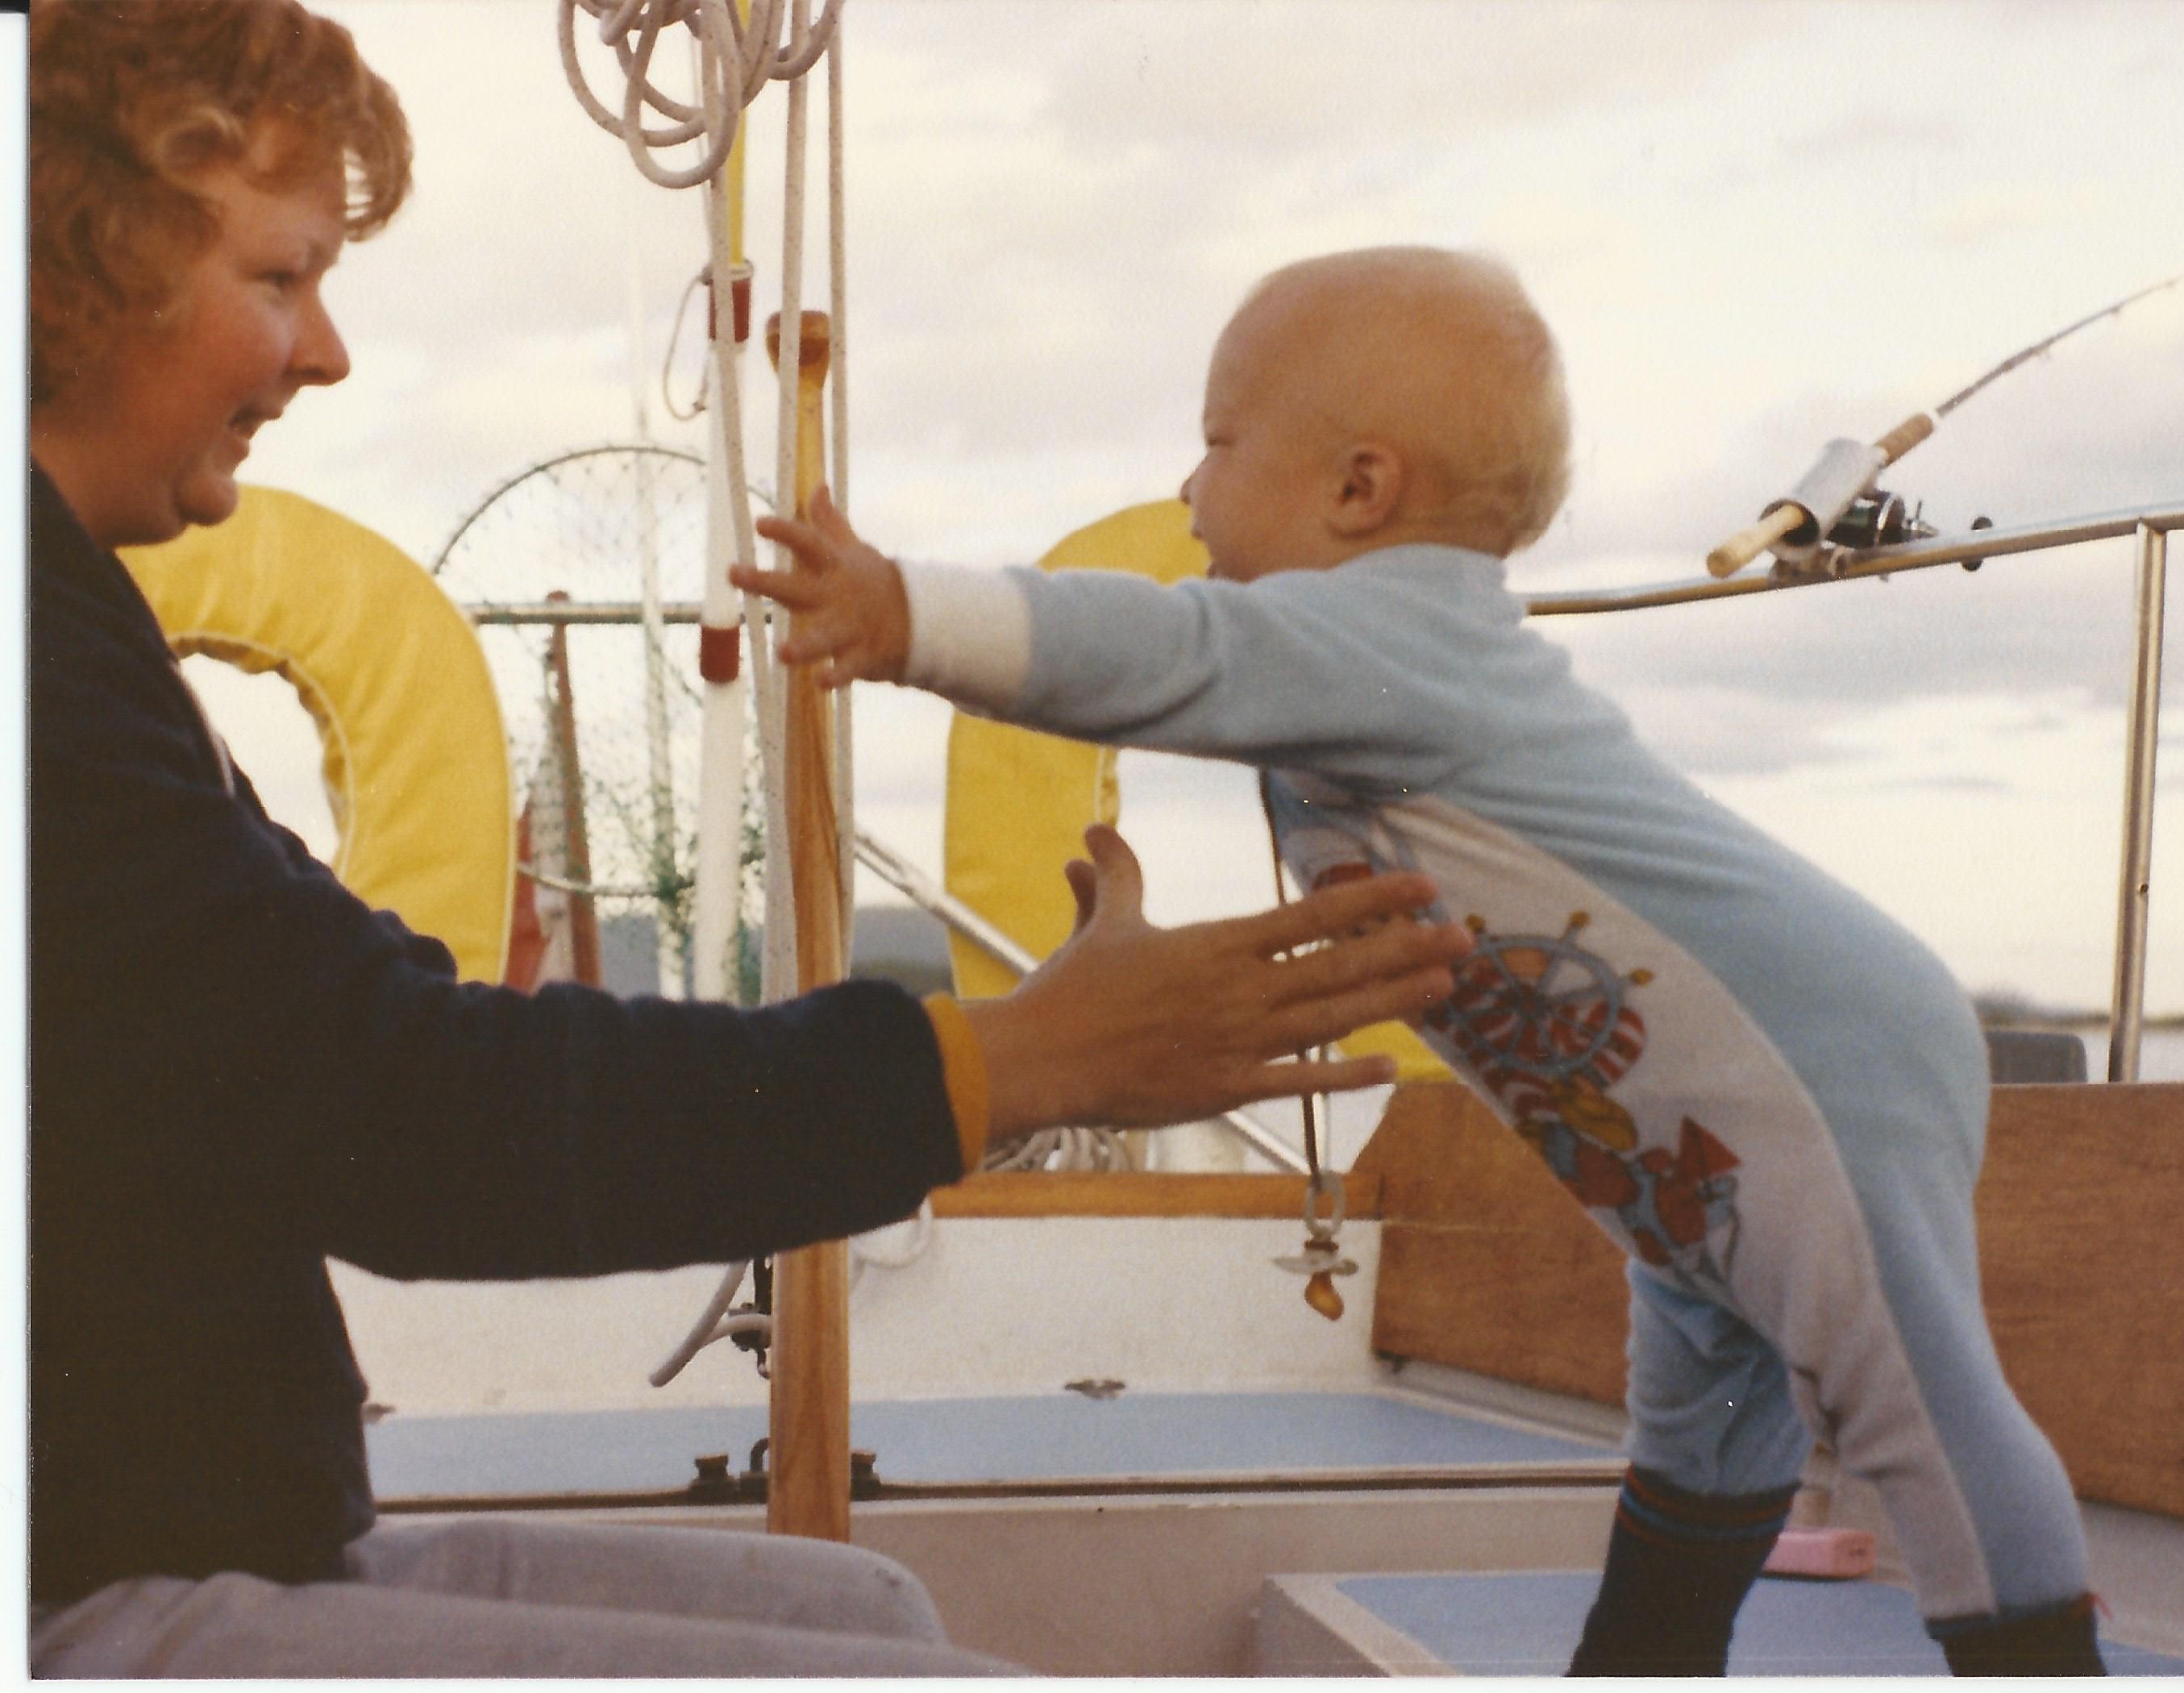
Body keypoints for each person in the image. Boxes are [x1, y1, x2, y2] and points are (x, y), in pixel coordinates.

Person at [23, 4, 1473, 1675]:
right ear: (73, 263)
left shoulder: (76, 622)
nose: (327, 351)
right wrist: (1016, 1064)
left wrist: (1006, 1055)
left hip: (197, 1522)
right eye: (281, 277)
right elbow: (398, 1116)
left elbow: (329, 1027)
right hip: (69, 1589)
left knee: (872, 1612)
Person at [739, 244, 2111, 1676]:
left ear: (1360, 490)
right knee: (1705, 1419)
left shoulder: (1398, 631)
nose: (1191, 490)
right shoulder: (1372, 661)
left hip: (1821, 1064)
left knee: (1912, 1409)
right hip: (1692, 1136)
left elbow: (1166, 648)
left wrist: (908, 615)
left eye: (1218, 444)